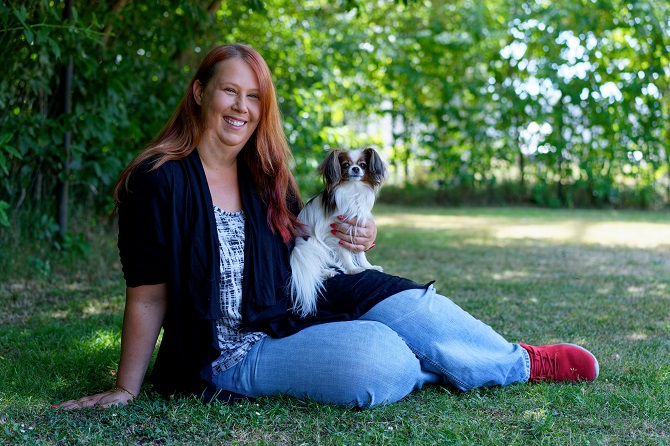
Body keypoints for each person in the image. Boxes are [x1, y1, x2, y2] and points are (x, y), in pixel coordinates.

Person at [53, 44, 598, 410]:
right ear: (199, 93)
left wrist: (364, 236)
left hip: (304, 298)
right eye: (229, 91)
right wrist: (126, 388)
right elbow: (148, 297)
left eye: (254, 97)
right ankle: (439, 364)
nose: (241, 107)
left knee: (410, 305)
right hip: (237, 350)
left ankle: (521, 361)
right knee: (377, 358)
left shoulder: (266, 173)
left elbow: (313, 232)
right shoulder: (157, 182)